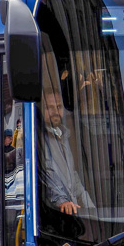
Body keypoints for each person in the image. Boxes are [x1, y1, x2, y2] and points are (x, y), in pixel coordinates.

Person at [40, 87, 92, 216]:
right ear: (41, 109)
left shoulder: (63, 136)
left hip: (69, 212)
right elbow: (46, 172)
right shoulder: (39, 138)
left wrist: (90, 206)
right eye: (49, 107)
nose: (55, 112)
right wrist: (62, 200)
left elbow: (73, 178)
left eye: (59, 107)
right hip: (53, 213)